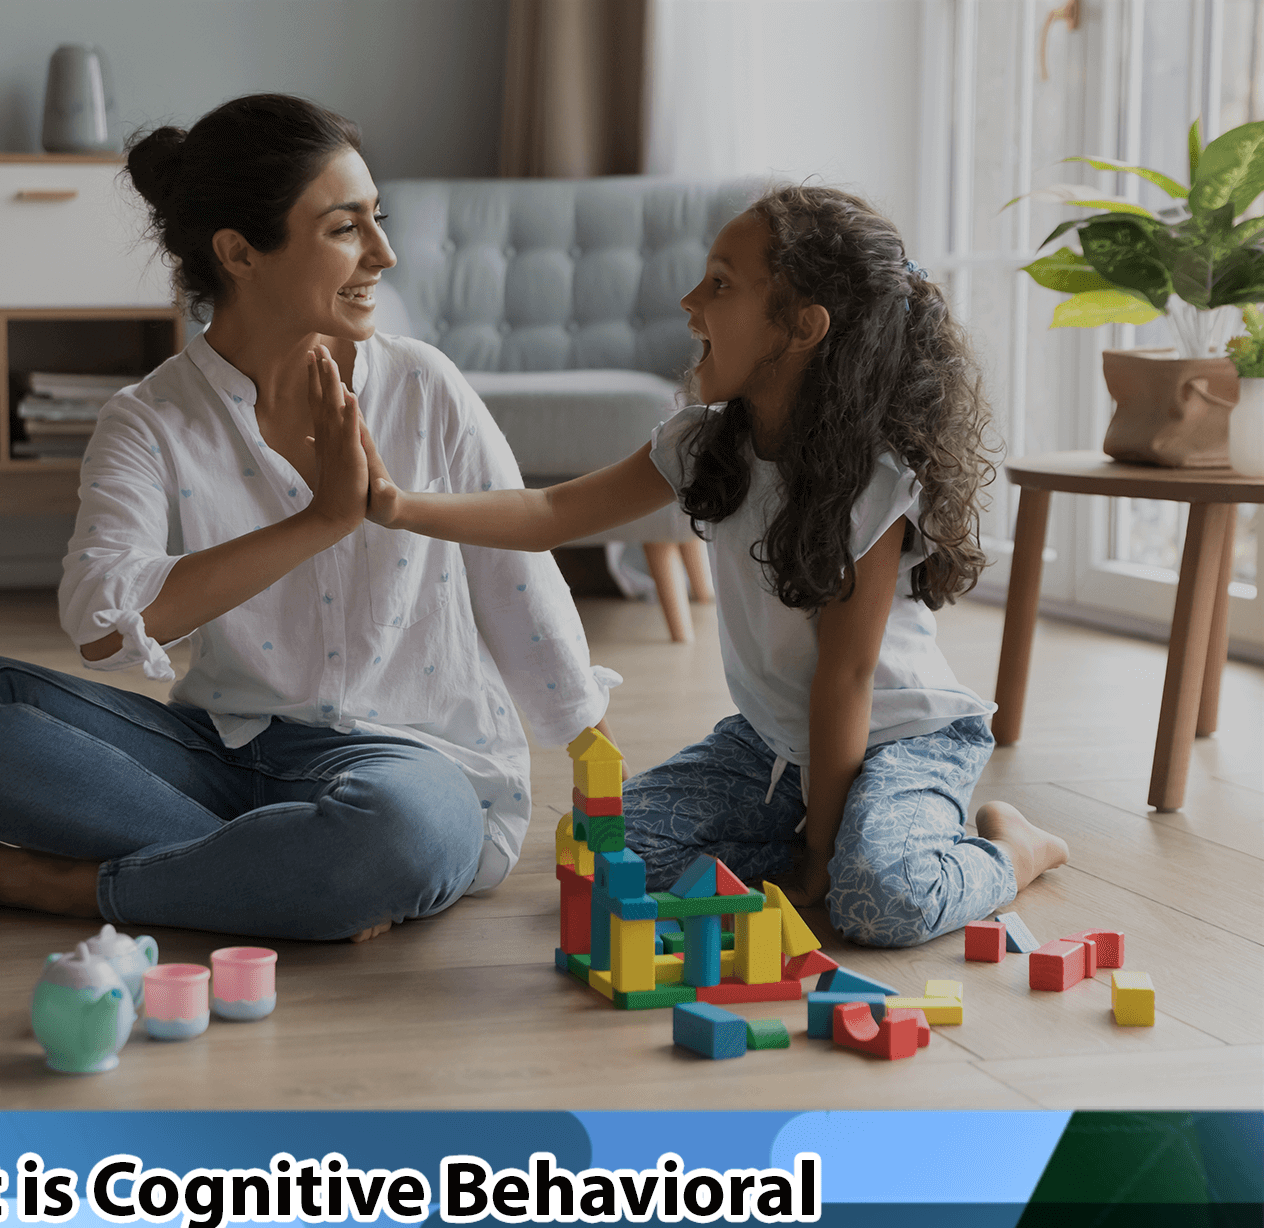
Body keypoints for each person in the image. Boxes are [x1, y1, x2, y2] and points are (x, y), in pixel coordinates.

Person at [0, 93, 618, 942]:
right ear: (238, 251)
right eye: (346, 228)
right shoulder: (148, 420)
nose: (385, 253)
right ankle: (287, 874)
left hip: (406, 767)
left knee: (405, 833)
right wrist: (320, 521)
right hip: (215, 756)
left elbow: (514, 575)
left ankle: (78, 886)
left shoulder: (422, 386)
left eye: (379, 219)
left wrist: (591, 751)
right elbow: (103, 626)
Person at [356, 183, 1069, 947]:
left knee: (875, 903)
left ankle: (1010, 847)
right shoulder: (699, 441)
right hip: (770, 745)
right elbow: (549, 515)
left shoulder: (873, 480)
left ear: (802, 327)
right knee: (598, 856)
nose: (691, 301)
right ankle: (836, 837)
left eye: (721, 284)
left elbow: (846, 680)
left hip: (897, 738)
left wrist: (823, 860)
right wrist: (396, 504)